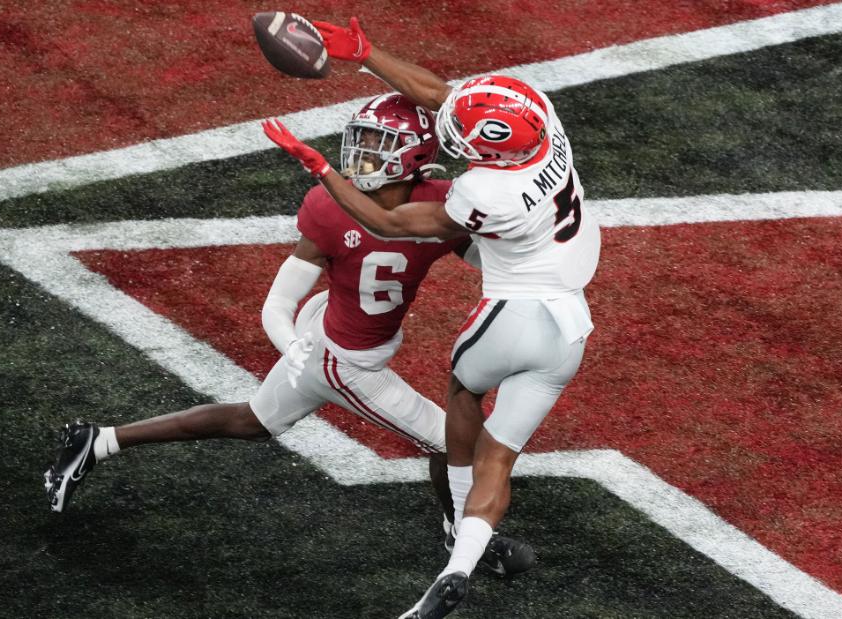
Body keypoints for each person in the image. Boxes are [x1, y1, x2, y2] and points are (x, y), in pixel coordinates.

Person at [43, 93, 535, 578]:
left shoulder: (440, 204)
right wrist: (297, 350)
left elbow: (482, 257)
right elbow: (279, 303)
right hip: (342, 359)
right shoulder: (330, 206)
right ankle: (462, 535)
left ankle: (99, 440)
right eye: (360, 140)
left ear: (415, 157)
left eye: (379, 143)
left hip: (335, 343)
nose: (361, 154)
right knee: (450, 440)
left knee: (253, 420)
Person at [263, 17, 601, 619]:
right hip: (571, 326)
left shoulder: (481, 195)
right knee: (502, 455)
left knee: (461, 406)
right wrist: (364, 54)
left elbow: (388, 224)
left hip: (511, 312)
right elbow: (444, 98)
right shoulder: (545, 128)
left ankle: (457, 530)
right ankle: (458, 565)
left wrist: (320, 169)